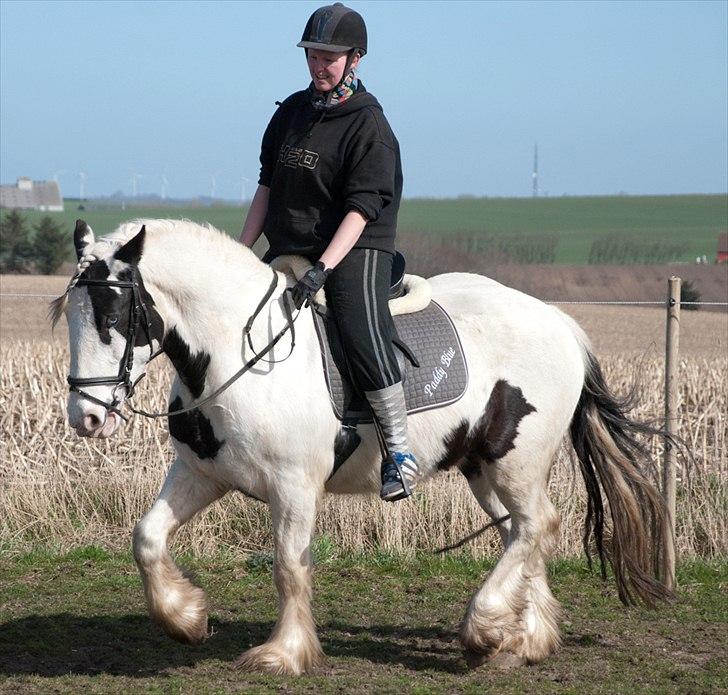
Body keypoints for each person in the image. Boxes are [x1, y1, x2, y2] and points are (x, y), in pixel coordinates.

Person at [239, 2, 418, 502]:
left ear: (355, 59)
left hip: (356, 246)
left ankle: (399, 454)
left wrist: (324, 268)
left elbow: (361, 210)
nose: (319, 65)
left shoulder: (370, 126)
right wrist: (237, 253)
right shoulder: (291, 113)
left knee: (358, 327)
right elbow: (266, 187)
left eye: (330, 58)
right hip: (291, 243)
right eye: (313, 55)